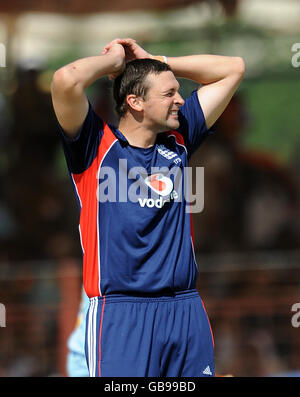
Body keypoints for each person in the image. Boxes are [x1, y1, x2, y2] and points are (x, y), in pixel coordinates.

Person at [51, 38, 245, 377]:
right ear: (135, 101)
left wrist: (156, 60)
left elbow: (233, 69)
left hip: (184, 309)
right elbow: (65, 80)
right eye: (169, 94)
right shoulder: (94, 145)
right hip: (121, 315)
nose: (180, 100)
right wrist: (114, 64)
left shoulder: (179, 138)